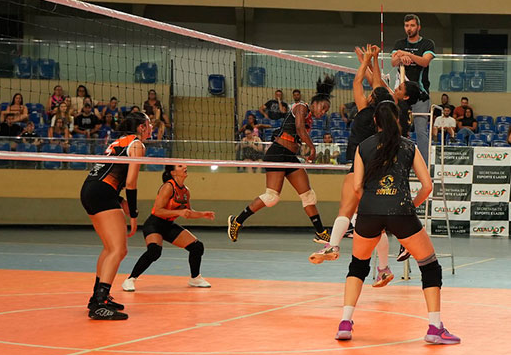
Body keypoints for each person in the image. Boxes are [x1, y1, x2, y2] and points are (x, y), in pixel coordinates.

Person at [341, 87, 458, 344]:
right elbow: (427, 187)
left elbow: (357, 186)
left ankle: (345, 322)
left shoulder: (363, 147)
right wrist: (411, 206)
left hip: (369, 211)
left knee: (358, 265)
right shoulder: (409, 146)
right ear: (399, 120)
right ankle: (434, 327)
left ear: (375, 121)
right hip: (401, 210)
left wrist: (372, 205)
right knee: (429, 265)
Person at [310, 45, 396, 286]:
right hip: (378, 170)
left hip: (359, 166)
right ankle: (383, 269)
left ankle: (333, 246)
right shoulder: (388, 113)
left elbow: (358, 83)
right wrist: (374, 61)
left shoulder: (365, 111)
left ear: (371, 99)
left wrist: (365, 61)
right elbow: (377, 84)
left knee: (345, 211)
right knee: (373, 223)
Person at [228, 77, 334, 243]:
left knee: (308, 195)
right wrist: (312, 147)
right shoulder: (301, 107)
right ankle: (237, 220)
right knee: (271, 197)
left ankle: (320, 232)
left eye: (326, 111)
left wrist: (304, 149)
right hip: (277, 152)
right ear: (315, 102)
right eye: (323, 108)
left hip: (290, 157)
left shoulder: (310, 118)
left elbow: (298, 134)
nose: (323, 112)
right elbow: (298, 128)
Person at [80, 112, 151, 320]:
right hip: (102, 193)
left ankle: (97, 297)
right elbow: (130, 182)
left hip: (91, 190)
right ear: (140, 127)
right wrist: (134, 214)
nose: (151, 128)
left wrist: (121, 202)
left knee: (110, 248)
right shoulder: (137, 145)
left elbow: (110, 176)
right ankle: (99, 303)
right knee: (119, 250)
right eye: (148, 125)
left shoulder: (119, 142)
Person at [122, 164, 215, 292]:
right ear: (173, 172)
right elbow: (158, 211)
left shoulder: (185, 191)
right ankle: (130, 279)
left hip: (168, 225)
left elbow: (187, 212)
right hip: (154, 224)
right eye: (180, 166)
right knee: (154, 251)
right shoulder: (168, 187)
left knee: (197, 246)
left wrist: (202, 214)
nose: (185, 167)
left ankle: (195, 278)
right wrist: (178, 213)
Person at [391, 13, 437, 161]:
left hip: (421, 94)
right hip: (401, 94)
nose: (409, 28)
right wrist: (400, 57)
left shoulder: (427, 44)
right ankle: (397, 159)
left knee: (421, 130)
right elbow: (393, 62)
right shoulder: (399, 43)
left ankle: (423, 163)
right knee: (398, 127)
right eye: (406, 26)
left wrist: (407, 55)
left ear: (418, 27)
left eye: (411, 25)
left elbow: (424, 62)